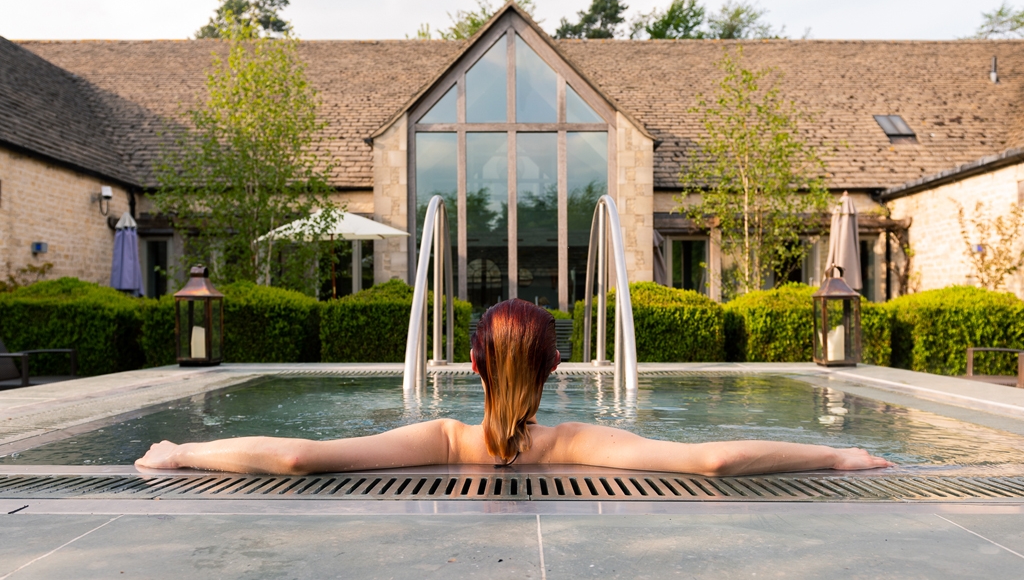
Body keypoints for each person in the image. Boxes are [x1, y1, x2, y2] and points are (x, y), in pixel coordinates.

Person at [136, 299, 891, 475]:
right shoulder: (577, 442)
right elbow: (710, 461)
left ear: (471, 367)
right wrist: (834, 458)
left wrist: (183, 449)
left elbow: (298, 456)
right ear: (559, 369)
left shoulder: (441, 438)